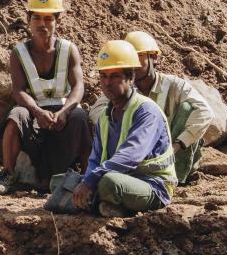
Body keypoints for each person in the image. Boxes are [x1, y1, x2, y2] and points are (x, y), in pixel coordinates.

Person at [0, 0, 91, 195]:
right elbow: (18, 91)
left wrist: (65, 112)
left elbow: (78, 86)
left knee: (81, 117)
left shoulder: (69, 50)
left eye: (48, 19)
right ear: (29, 19)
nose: (42, 24)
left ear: (57, 21)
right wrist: (36, 112)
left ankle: (87, 179)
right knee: (16, 115)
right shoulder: (19, 53)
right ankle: (9, 174)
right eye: (37, 18)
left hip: (63, 111)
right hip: (35, 111)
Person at [90, 31, 213, 184]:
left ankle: (179, 175)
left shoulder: (174, 85)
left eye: (139, 57)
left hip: (170, 155)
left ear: (154, 57)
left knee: (188, 108)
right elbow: (97, 110)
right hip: (135, 153)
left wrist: (177, 144)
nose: (135, 64)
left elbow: (205, 112)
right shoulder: (123, 88)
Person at [70, 41, 177, 217]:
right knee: (61, 182)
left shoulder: (146, 111)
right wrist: (87, 180)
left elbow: (130, 155)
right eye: (103, 76)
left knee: (108, 183)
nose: (108, 83)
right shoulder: (106, 115)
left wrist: (90, 181)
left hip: (152, 184)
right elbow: (95, 159)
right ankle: (107, 206)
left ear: (131, 78)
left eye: (115, 76)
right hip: (119, 177)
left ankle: (101, 204)